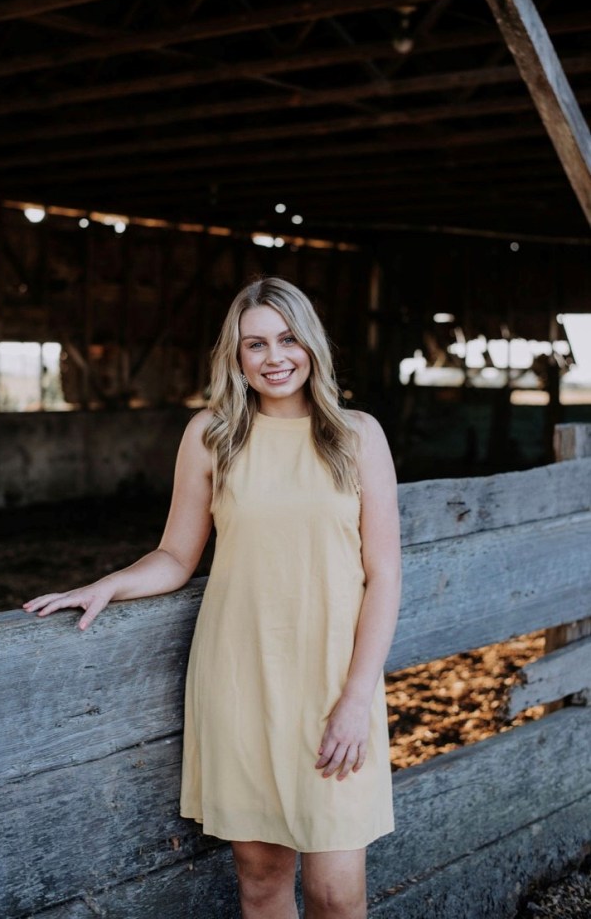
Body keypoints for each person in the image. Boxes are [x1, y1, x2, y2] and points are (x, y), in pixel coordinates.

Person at [23, 276, 401, 919]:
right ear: (236, 355)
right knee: (261, 880)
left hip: (336, 683)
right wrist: (107, 584)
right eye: (256, 344)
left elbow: (384, 574)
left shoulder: (357, 435)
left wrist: (356, 697)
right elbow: (176, 556)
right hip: (239, 679)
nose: (274, 357)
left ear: (311, 344)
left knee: (337, 894)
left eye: (288, 339)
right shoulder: (212, 435)